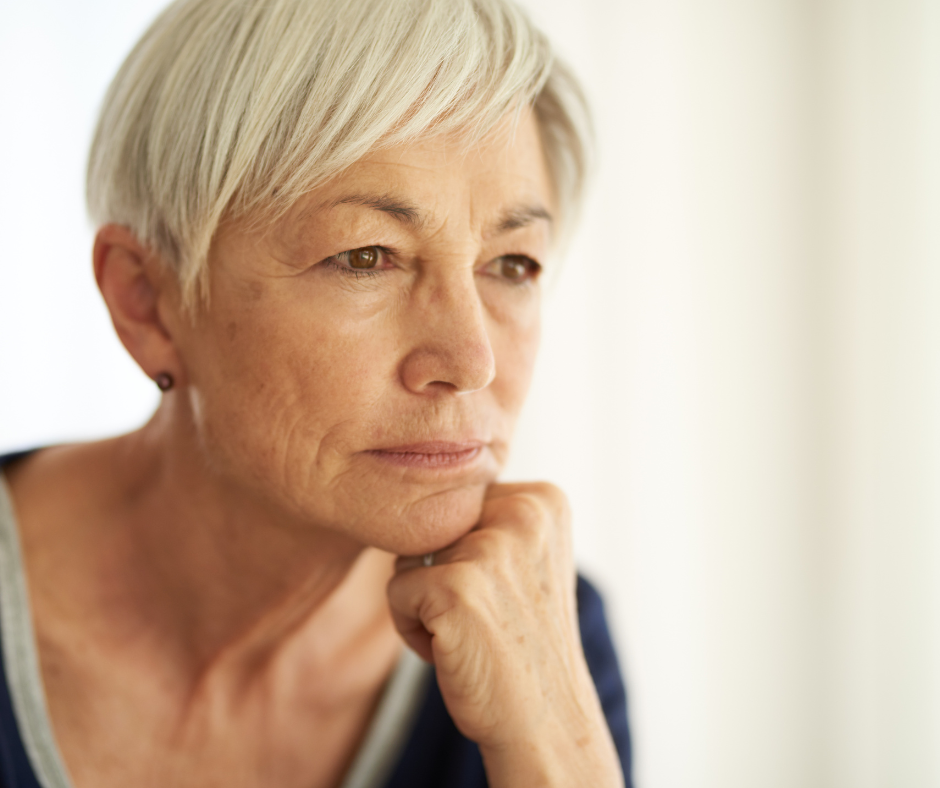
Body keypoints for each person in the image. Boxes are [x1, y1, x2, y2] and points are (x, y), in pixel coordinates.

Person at [0, 0, 632, 785]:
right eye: (368, 256)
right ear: (148, 302)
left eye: (513, 264)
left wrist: (555, 747)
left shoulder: (538, 632)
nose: (472, 361)